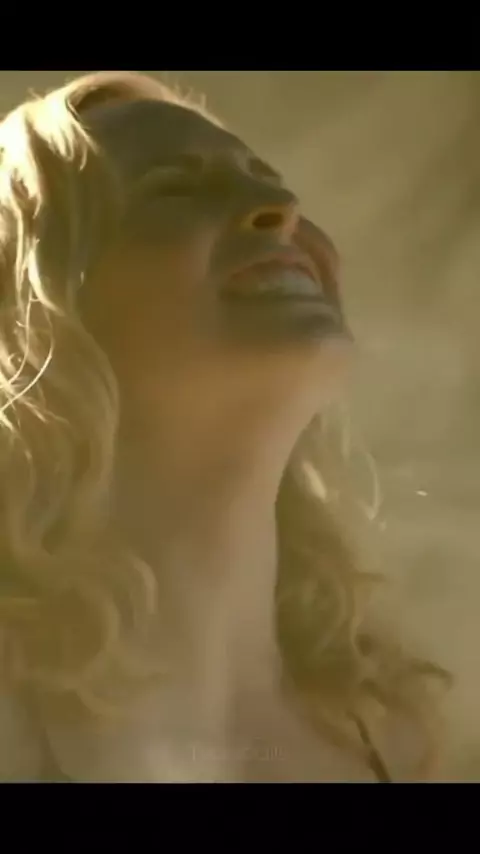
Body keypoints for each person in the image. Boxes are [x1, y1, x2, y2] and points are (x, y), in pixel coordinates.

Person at [0, 71, 447, 782]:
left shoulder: (402, 740)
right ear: (37, 313)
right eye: (175, 189)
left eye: (269, 183)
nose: (281, 209)